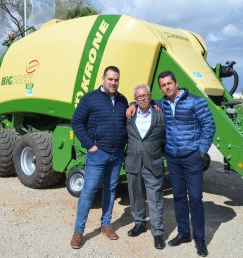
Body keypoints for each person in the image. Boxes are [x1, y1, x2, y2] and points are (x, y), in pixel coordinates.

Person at [126, 70, 215, 257]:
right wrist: (133, 103)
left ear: (176, 83)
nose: (167, 87)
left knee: (196, 198)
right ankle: (184, 233)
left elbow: (209, 125)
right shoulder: (163, 103)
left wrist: (201, 151)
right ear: (161, 88)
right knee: (179, 197)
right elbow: (144, 101)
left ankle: (200, 240)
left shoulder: (195, 101)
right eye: (163, 85)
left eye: (169, 83)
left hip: (192, 156)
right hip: (173, 158)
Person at [70, 66, 129, 249]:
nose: (113, 83)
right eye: (110, 79)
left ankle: (105, 224)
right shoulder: (90, 98)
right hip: (98, 154)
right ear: (103, 78)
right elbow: (76, 122)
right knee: (89, 191)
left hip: (116, 153)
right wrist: (90, 145)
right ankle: (79, 232)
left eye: (116, 79)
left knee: (110, 190)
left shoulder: (122, 100)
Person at [125, 84, 166, 250]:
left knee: (155, 198)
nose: (142, 98)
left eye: (145, 95)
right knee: (136, 196)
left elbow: (165, 137)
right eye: (139, 97)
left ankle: (157, 233)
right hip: (133, 162)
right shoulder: (129, 115)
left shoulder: (159, 115)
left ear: (150, 96)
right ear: (135, 99)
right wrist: (131, 105)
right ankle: (139, 223)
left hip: (153, 163)